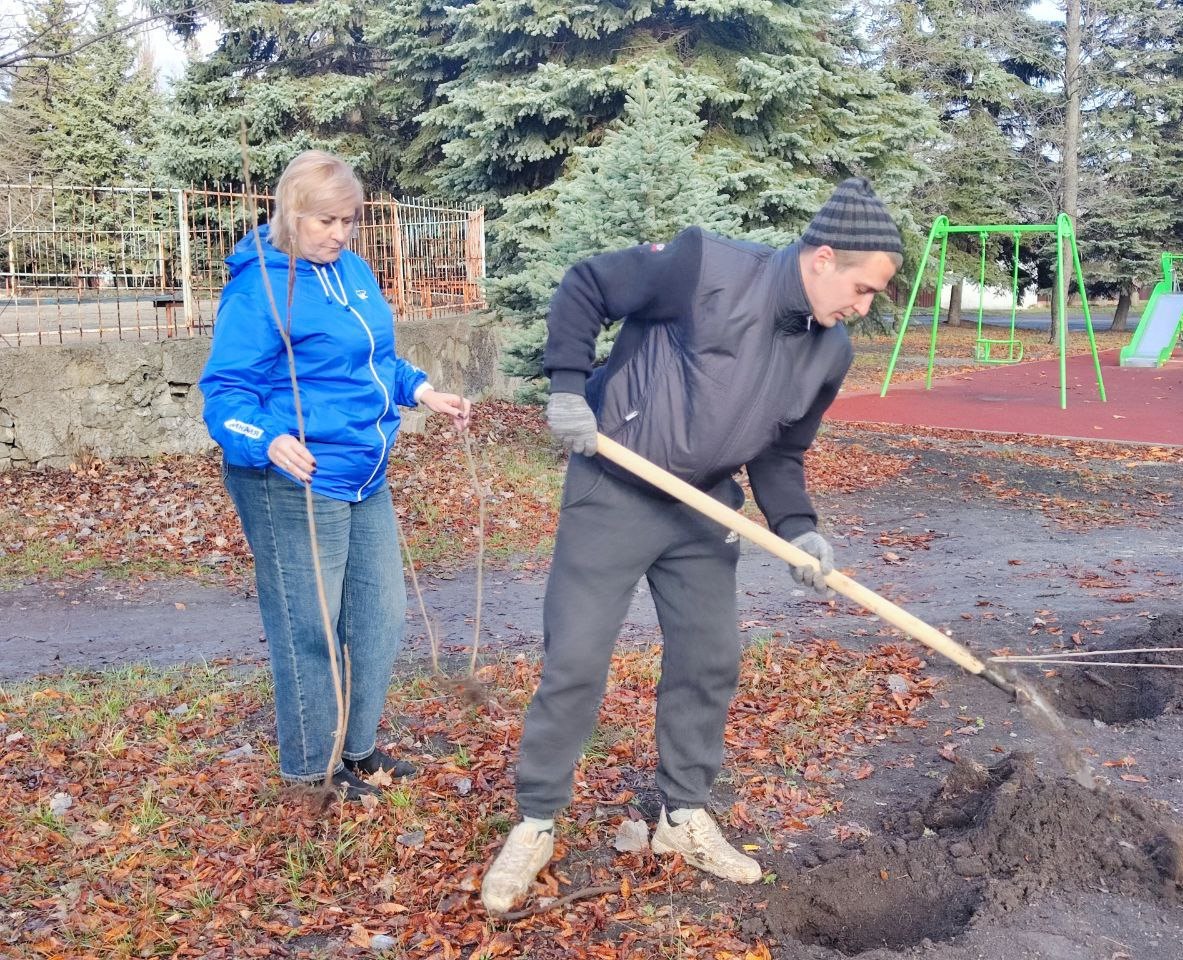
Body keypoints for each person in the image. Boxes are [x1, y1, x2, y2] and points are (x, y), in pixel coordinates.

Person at [480, 177, 903, 912]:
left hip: (703, 505)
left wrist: (800, 529)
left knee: (708, 660)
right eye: (862, 289)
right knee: (576, 660)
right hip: (613, 488)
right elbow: (586, 284)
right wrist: (568, 388)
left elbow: (779, 454)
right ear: (823, 258)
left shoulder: (827, 352)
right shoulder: (704, 267)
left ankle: (682, 815)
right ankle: (536, 821)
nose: (862, 308)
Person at [199, 150, 471, 800]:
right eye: (326, 220)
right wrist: (268, 439)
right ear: (292, 212)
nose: (340, 234)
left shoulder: (350, 272)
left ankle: (357, 748)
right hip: (291, 481)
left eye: (348, 220)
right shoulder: (257, 289)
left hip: (361, 472)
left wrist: (421, 390)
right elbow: (223, 396)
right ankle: (309, 771)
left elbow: (371, 359)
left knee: (379, 616)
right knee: (309, 627)